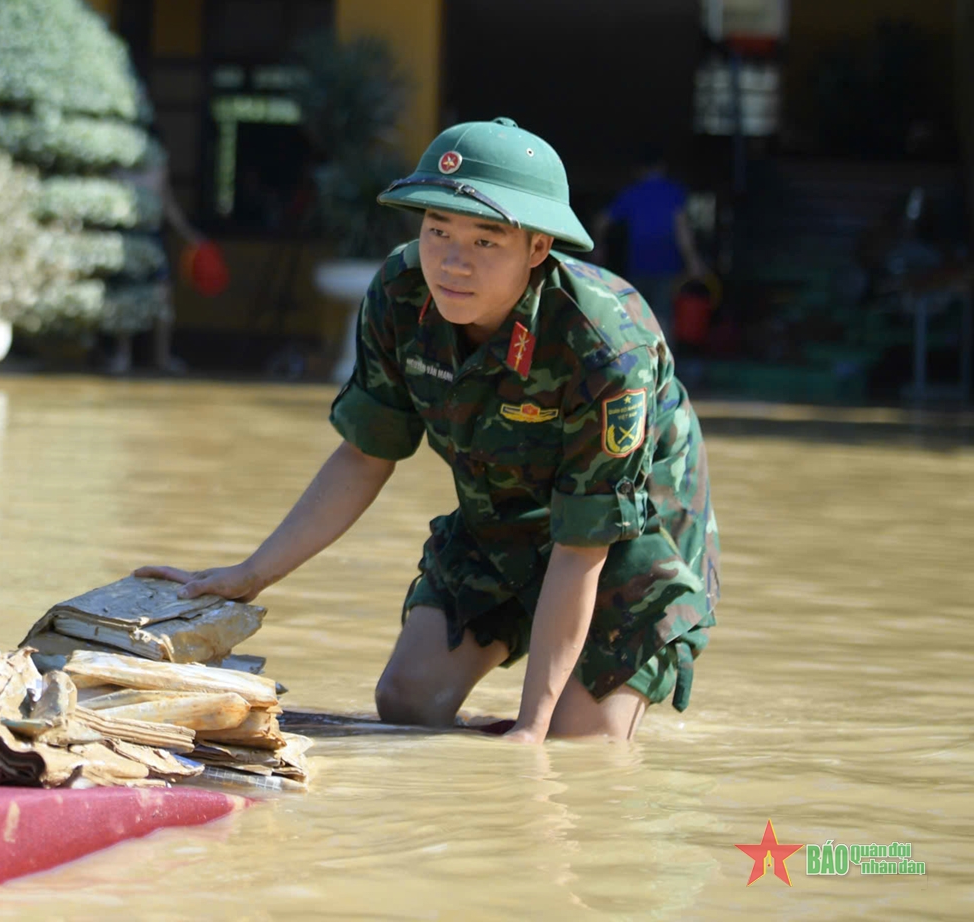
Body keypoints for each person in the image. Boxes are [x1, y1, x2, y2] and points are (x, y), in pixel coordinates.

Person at [140, 119, 718, 742]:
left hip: (628, 535)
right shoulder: (400, 291)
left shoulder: (605, 348)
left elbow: (583, 547)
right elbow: (365, 454)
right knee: (408, 701)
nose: (452, 262)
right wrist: (249, 575)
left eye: (486, 241)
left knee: (581, 748)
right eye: (437, 230)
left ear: (538, 248)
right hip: (501, 514)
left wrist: (533, 727)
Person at [105, 134, 205, 376]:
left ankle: (162, 356)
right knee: (124, 295)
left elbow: (167, 204)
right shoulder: (116, 167)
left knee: (162, 296)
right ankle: (123, 354)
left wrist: (190, 235)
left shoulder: (158, 167)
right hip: (126, 238)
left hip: (152, 239)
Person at [593, 144, 707, 337]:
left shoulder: (632, 193)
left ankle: (639, 362)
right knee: (663, 317)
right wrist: (693, 261)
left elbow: (601, 221)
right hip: (666, 265)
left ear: (639, 170)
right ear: (662, 167)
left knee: (635, 318)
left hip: (638, 264)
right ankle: (666, 363)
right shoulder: (674, 192)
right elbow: (682, 230)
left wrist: (598, 247)